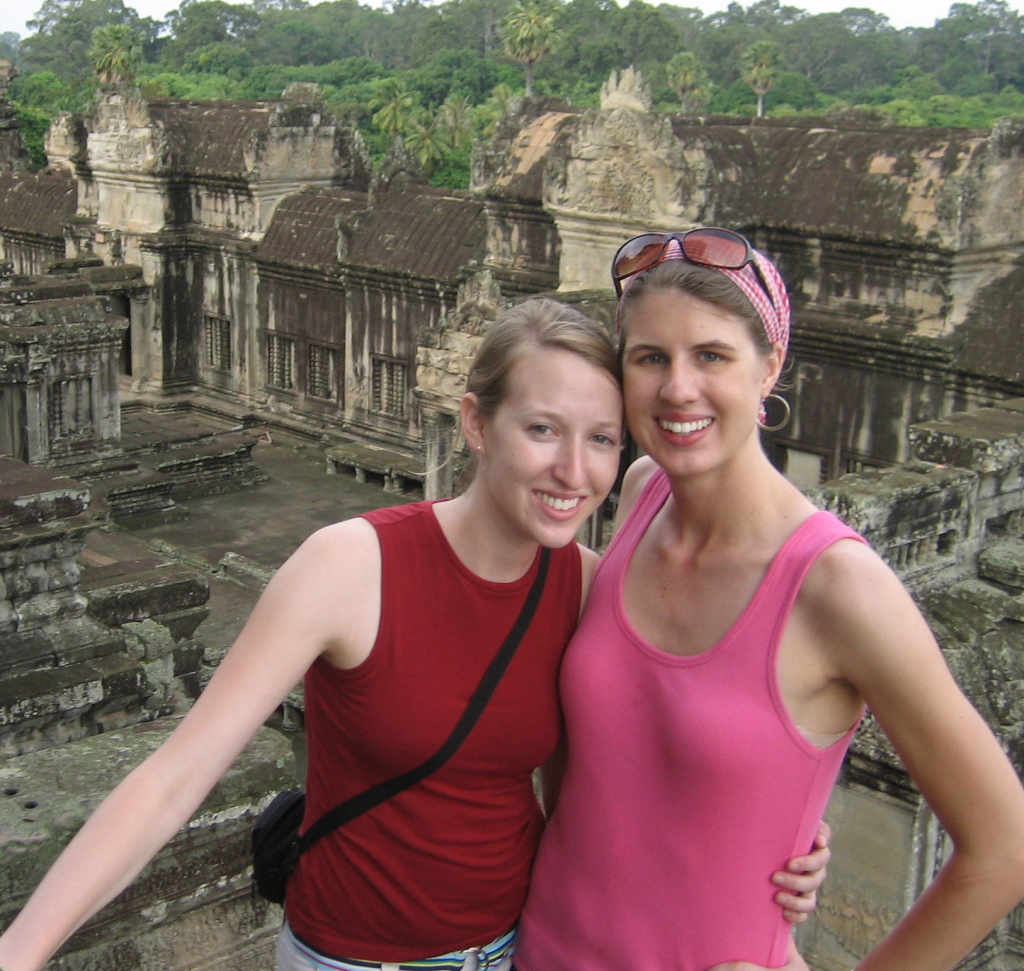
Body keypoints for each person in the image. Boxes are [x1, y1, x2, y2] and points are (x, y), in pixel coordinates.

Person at [0, 297, 826, 971]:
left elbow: (637, 767)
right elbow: (173, 779)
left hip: (513, 951)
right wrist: (22, 949)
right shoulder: (351, 566)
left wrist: (777, 839)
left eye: (602, 439)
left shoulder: (583, 584)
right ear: (475, 423)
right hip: (350, 960)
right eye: (542, 429)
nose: (575, 473)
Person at [514, 229, 1024, 971]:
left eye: (712, 356)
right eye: (650, 357)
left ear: (770, 368)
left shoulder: (836, 585)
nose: (678, 388)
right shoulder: (639, 494)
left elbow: (1004, 847)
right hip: (541, 950)